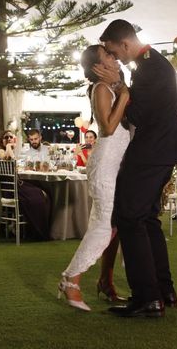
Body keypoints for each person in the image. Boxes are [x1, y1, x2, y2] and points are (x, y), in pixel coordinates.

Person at [95, 19, 177, 318]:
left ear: (124, 44)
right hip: (163, 150)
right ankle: (163, 290)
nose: (114, 58)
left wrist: (118, 84)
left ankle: (147, 298)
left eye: (113, 51)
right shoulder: (152, 64)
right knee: (146, 218)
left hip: (152, 151)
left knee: (128, 217)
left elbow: (135, 116)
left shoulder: (150, 69)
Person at [57, 44, 130, 312]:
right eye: (108, 56)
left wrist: (121, 89)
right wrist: (126, 94)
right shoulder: (101, 89)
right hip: (105, 166)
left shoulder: (111, 88)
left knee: (109, 226)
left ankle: (102, 282)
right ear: (98, 67)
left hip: (114, 167)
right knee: (102, 228)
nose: (114, 57)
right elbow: (108, 128)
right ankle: (71, 279)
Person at [0, 129, 50, 241]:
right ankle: (35, 231)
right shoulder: (0, 151)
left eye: (11, 137)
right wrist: (10, 146)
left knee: (41, 191)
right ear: (1, 140)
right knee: (39, 194)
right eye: (6, 137)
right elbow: (8, 158)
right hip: (10, 189)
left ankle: (33, 229)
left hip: (16, 185)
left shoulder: (8, 150)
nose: (9, 139)